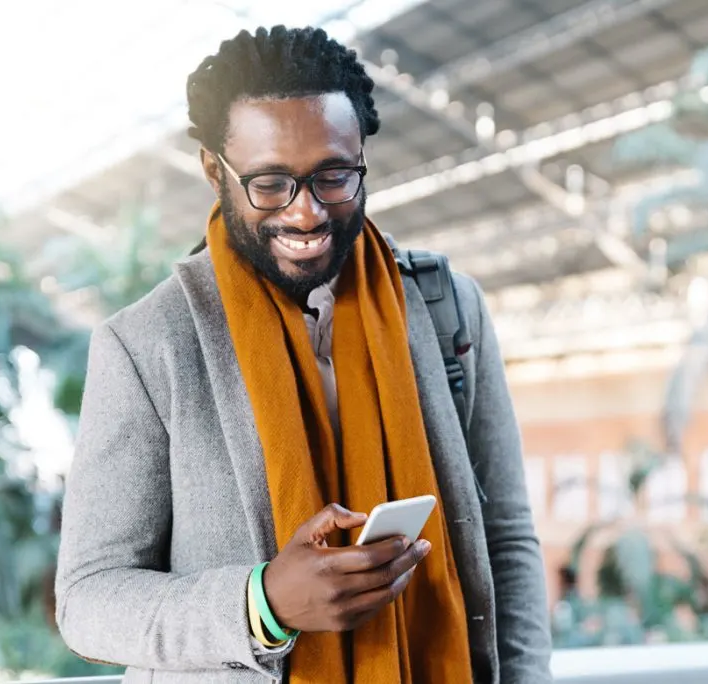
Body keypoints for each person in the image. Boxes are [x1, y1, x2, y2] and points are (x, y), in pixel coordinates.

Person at [54, 24, 551, 684]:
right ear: (214, 170)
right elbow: (88, 600)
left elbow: (507, 538)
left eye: (333, 176)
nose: (307, 213)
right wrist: (263, 603)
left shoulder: (445, 308)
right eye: (269, 184)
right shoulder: (148, 345)